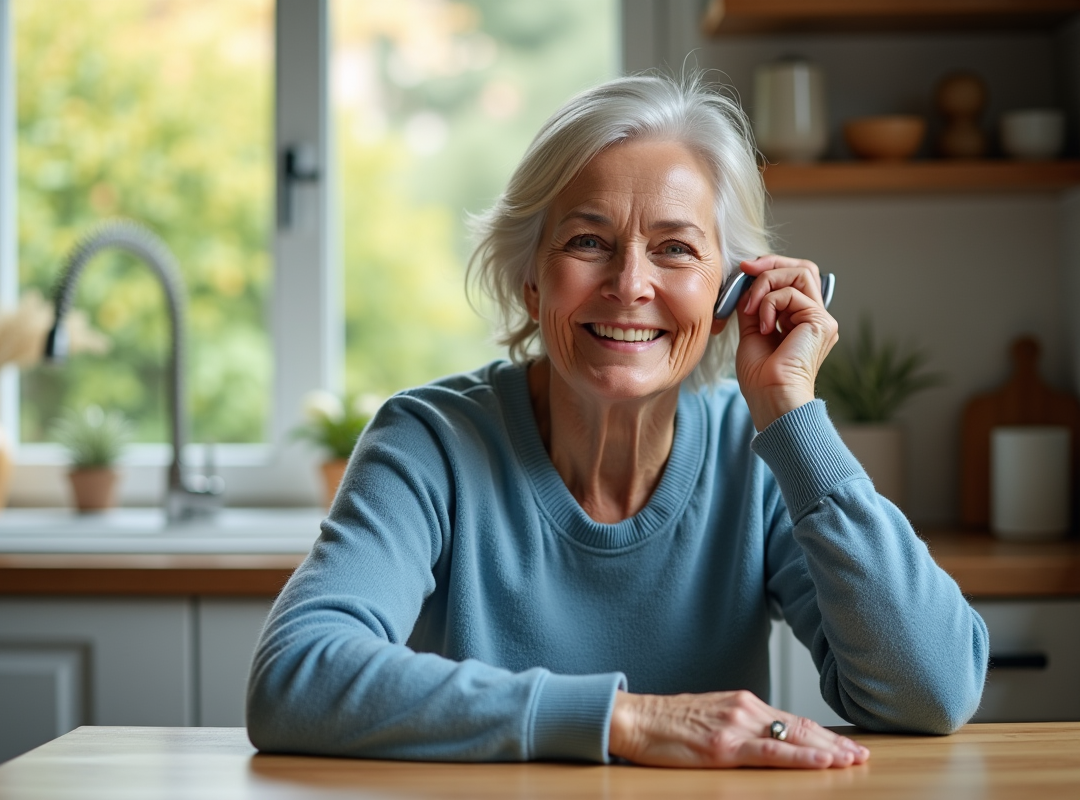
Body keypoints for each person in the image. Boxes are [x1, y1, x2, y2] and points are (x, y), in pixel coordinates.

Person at [247, 73, 988, 769]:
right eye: (588, 242)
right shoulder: (430, 441)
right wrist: (627, 721)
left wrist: (791, 412)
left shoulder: (755, 453)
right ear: (532, 281)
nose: (631, 284)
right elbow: (294, 677)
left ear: (730, 290)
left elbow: (935, 692)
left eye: (675, 249)